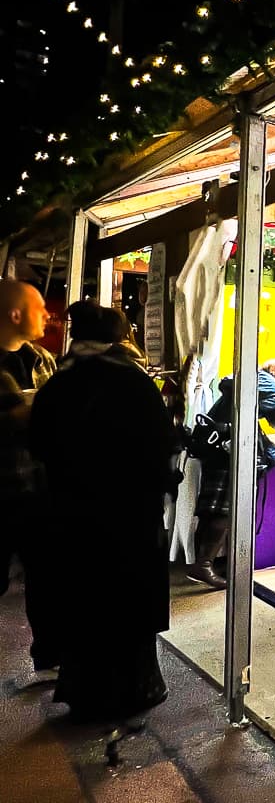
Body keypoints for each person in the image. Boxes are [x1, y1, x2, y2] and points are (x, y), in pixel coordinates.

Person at [29, 301, 174, 722]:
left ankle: (83, 691)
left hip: (73, 515)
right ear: (119, 337)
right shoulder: (134, 383)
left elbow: (39, 446)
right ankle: (134, 691)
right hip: (128, 516)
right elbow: (159, 448)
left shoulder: (59, 384)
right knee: (127, 607)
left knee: (83, 601)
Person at [0, 280, 60, 681]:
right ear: (15, 313)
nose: (48, 315)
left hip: (40, 490)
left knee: (48, 577)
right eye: (40, 308)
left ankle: (51, 656)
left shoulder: (43, 359)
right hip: (0, 488)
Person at [185, 363, 275, 589]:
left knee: (211, 512)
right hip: (234, 451)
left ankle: (204, 564)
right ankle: (205, 565)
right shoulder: (265, 383)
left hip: (216, 449)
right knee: (225, 511)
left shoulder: (234, 384)